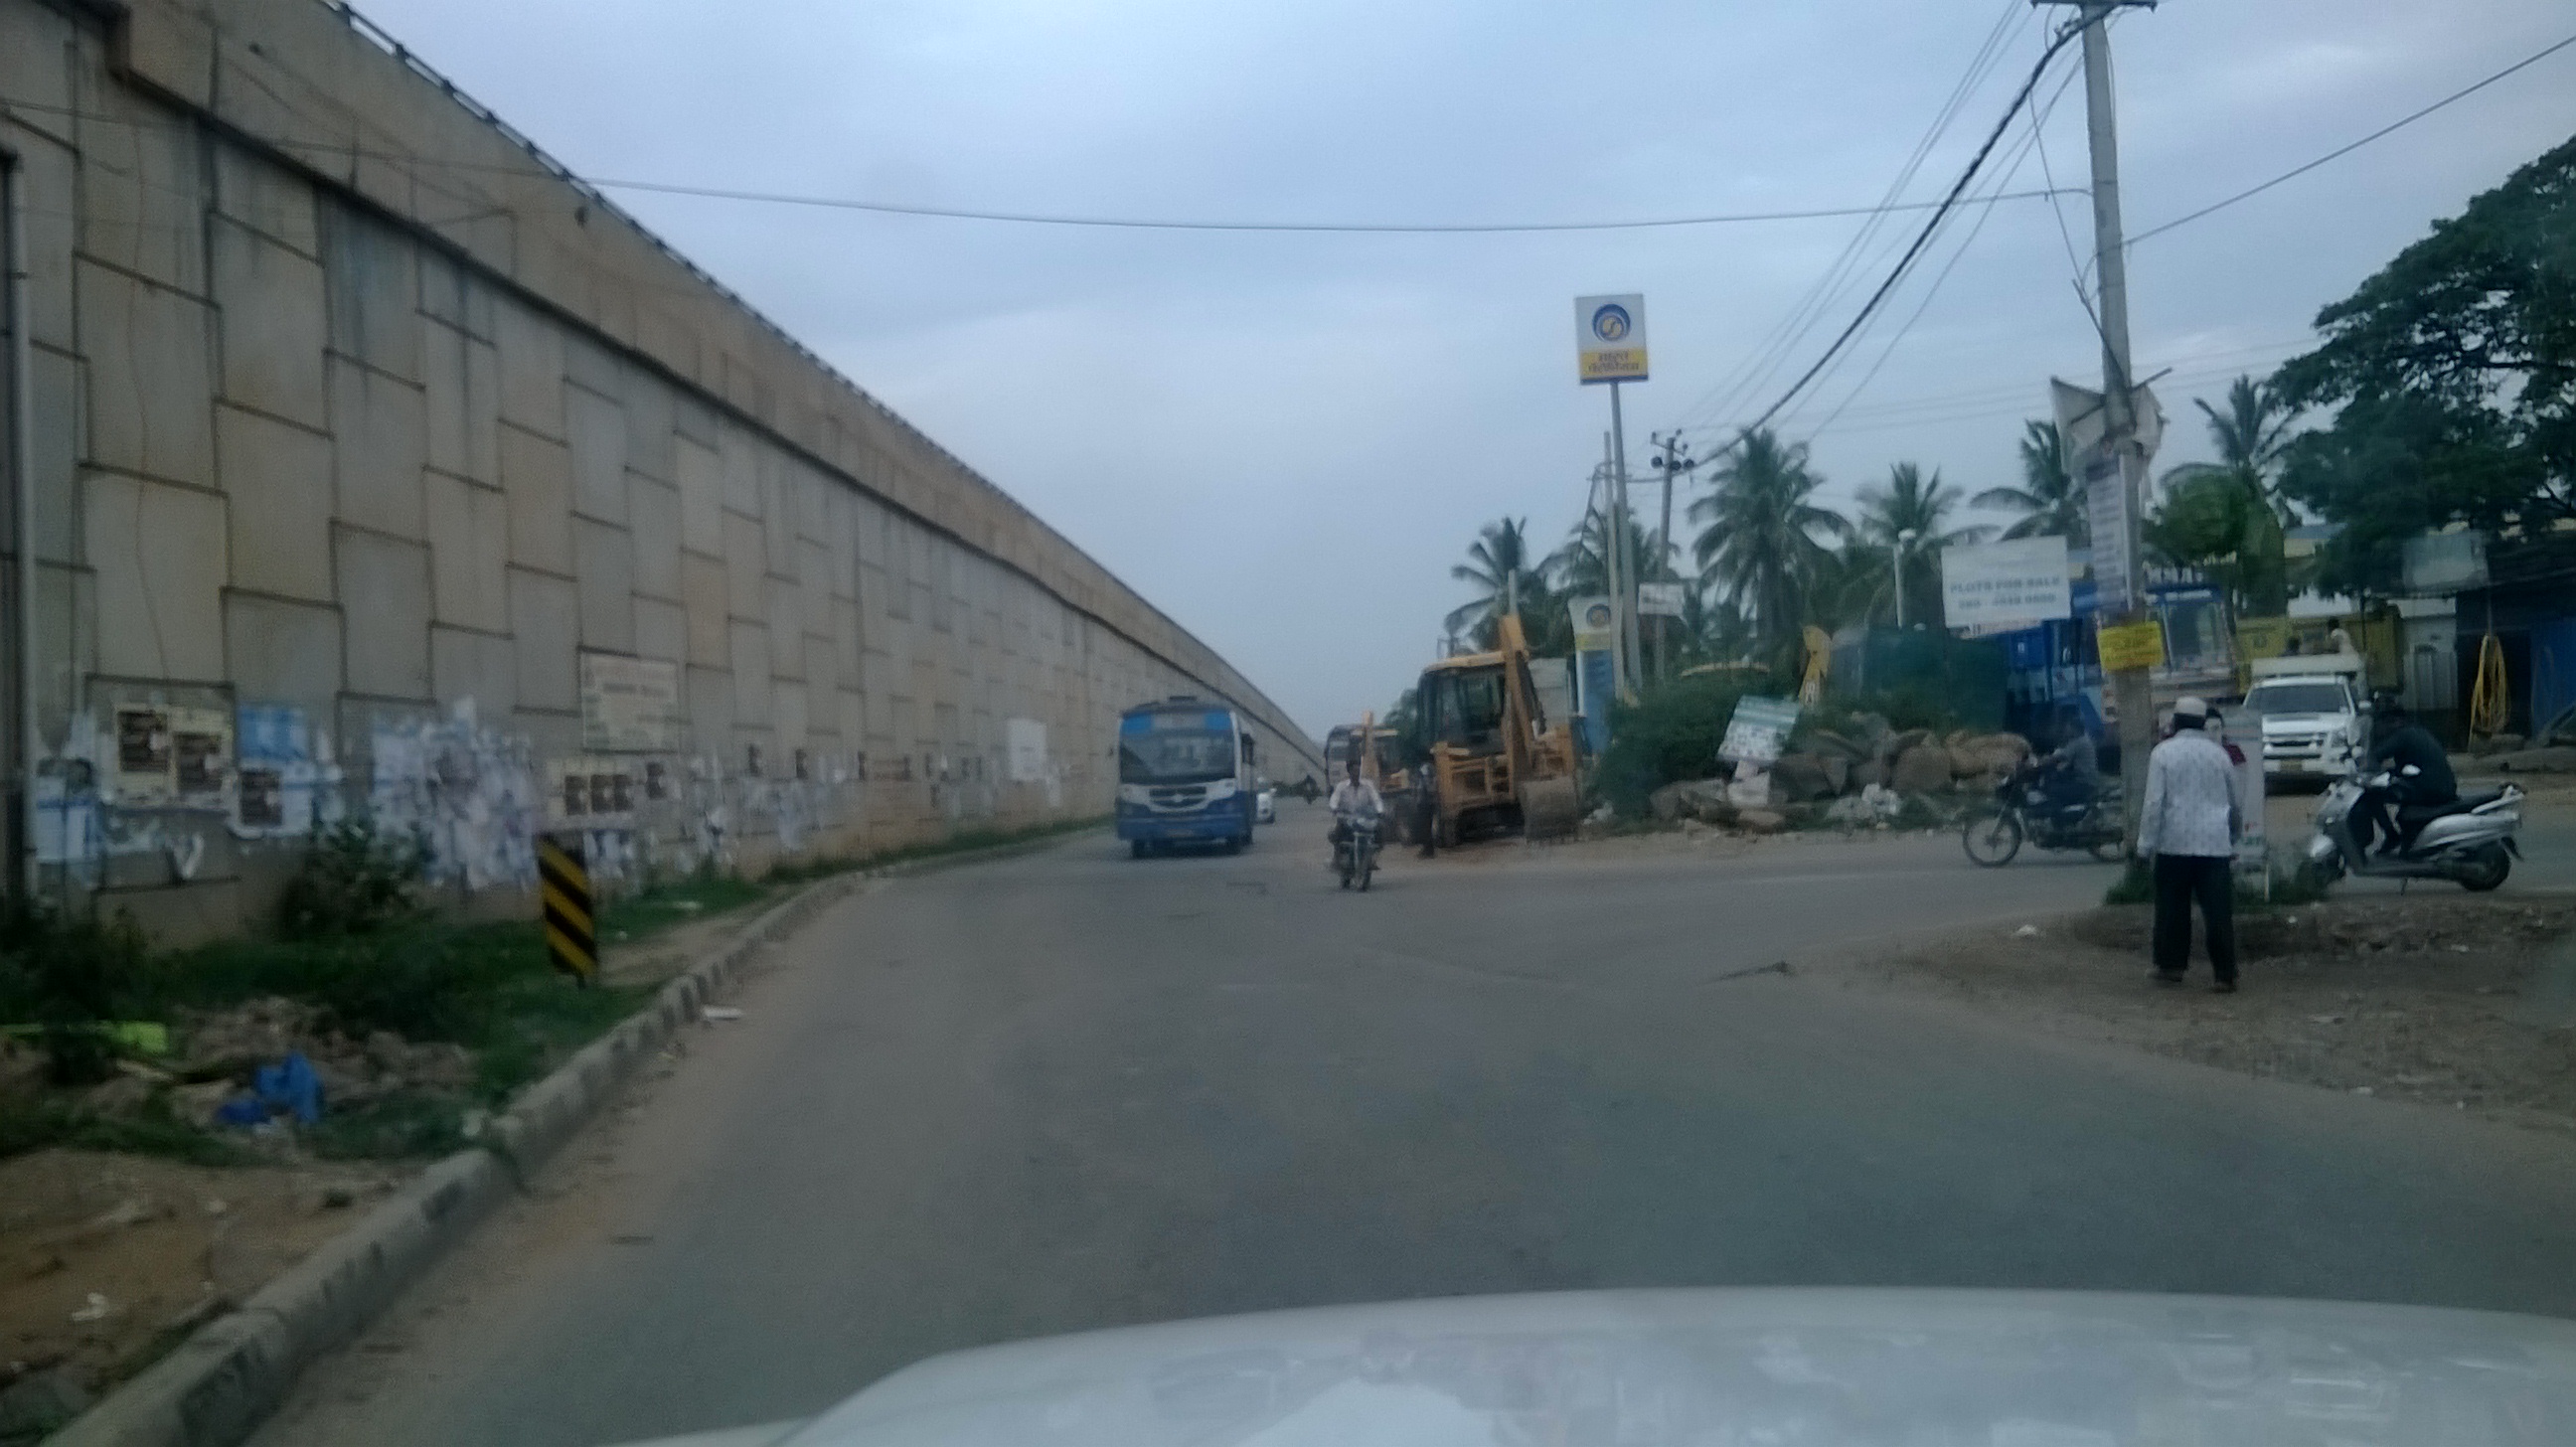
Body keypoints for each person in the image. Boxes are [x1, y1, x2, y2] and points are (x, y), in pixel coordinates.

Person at [2138, 696, 2243, 993]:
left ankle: (2171, 966)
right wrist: (2232, 835)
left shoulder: (2163, 754)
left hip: (2174, 843)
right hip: (2214, 845)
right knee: (2218, 911)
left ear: (2175, 722)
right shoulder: (2219, 755)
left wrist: (2145, 846)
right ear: (2202, 723)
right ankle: (2224, 974)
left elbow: (2154, 804)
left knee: (2172, 909)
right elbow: (2235, 802)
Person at [2352, 698, 2456, 856]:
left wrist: (2358, 766)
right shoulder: (2414, 731)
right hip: (2437, 784)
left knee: (2372, 795)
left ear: (2390, 721)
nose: (2377, 728)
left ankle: (2392, 836)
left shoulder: (2402, 736)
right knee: (2387, 787)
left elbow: (2375, 757)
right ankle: (2400, 838)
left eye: (2378, 723)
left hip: (2431, 788)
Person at [2034, 706, 2098, 826]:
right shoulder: (2082, 739)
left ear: (2074, 727)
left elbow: (2056, 758)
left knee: (2053, 790)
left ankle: (2060, 821)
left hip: (2083, 783)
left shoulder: (2078, 742)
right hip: (2084, 780)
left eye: (2067, 727)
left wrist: (2037, 762)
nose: (2065, 729)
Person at [1326, 758, 1383, 860]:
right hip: (1347, 819)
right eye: (1354, 771)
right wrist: (1334, 808)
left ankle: (1372, 858)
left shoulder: (1368, 785)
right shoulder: (1341, 786)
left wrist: (1380, 811)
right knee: (1337, 833)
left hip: (1363, 820)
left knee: (1380, 830)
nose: (1356, 773)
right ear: (1349, 772)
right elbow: (1334, 799)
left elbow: (1376, 799)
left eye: (1358, 770)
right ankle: (1337, 858)